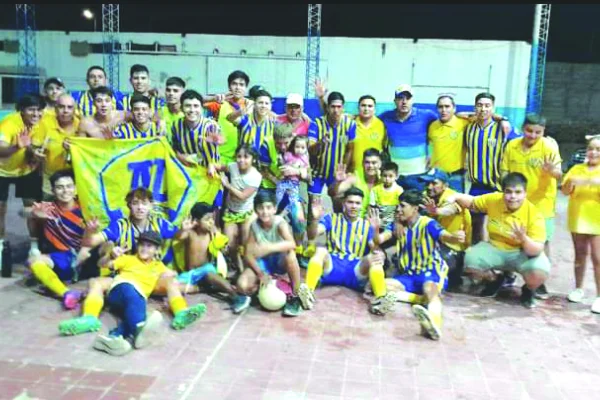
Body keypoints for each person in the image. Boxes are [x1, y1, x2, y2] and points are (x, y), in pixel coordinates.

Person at [59, 231, 207, 344]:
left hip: (138, 297)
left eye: (149, 246)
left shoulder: (159, 267)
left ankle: (179, 314)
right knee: (129, 292)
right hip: (121, 290)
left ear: (157, 250)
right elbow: (102, 264)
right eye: (142, 245)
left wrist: (197, 286)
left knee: (141, 299)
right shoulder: (128, 259)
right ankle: (90, 319)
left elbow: (175, 278)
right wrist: (110, 256)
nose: (144, 249)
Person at [444, 172, 551, 308]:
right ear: (502, 192)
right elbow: (472, 202)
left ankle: (528, 290)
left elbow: (536, 250)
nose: (513, 197)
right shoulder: (494, 199)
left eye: (518, 192)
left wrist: (523, 239)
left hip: (521, 252)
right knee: (470, 260)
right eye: (508, 192)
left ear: (525, 193)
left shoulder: (534, 214)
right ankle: (494, 280)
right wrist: (455, 196)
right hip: (495, 247)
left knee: (540, 270)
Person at [369, 189, 466, 338]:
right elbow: (378, 240)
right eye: (398, 206)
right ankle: (420, 300)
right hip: (408, 275)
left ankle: (434, 324)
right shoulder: (397, 226)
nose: (398, 209)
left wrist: (456, 237)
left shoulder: (428, 224)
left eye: (402, 206)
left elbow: (446, 236)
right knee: (381, 286)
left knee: (430, 289)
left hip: (430, 272)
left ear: (415, 208)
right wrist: (375, 230)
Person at [298, 187, 389, 314]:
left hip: (355, 271)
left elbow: (374, 247)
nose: (353, 206)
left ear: (362, 205)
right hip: (332, 267)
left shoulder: (367, 225)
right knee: (320, 250)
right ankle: (308, 293)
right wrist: (314, 219)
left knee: (374, 257)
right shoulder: (331, 218)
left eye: (357, 203)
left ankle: (381, 300)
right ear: (343, 203)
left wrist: (376, 231)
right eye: (350, 202)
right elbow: (312, 235)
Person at [500, 113, 561, 298]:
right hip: (516, 203)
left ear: (543, 132)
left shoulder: (549, 147)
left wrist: (552, 171)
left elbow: (559, 174)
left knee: (542, 243)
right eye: (529, 131)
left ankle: (539, 282)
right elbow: (504, 171)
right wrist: (506, 189)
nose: (533, 136)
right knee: (510, 238)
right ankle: (507, 275)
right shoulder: (512, 145)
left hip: (542, 204)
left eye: (538, 132)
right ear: (523, 128)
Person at [232, 192, 304, 316]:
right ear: (256, 210)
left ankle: (295, 296)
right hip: (263, 263)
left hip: (279, 261)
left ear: (275, 209)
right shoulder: (254, 226)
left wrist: (268, 248)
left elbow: (292, 244)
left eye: (269, 207)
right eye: (261, 208)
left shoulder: (280, 223)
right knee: (241, 285)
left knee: (290, 255)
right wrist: (261, 274)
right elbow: (248, 255)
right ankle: (257, 291)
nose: (265, 212)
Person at [27, 170, 90, 309]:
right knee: (34, 262)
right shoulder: (48, 208)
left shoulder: (86, 209)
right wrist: (34, 215)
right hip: (59, 257)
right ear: (53, 190)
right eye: (60, 187)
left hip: (84, 258)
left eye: (69, 186)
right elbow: (24, 212)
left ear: (76, 188)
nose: (65, 191)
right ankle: (66, 293)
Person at [464, 92, 519, 245]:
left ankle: (504, 263)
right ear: (475, 107)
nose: (483, 109)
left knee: (501, 226)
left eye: (487, 106)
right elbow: (459, 114)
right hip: (477, 185)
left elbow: (521, 142)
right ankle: (477, 257)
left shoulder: (503, 129)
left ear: (493, 108)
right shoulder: (468, 128)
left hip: (498, 185)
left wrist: (504, 119)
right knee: (475, 223)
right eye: (480, 105)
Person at [0, 94, 45, 263]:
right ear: (22, 111)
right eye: (31, 110)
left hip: (26, 170)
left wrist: (34, 153)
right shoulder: (9, 123)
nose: (36, 114)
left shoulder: (42, 124)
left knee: (32, 208)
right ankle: (0, 246)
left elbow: (33, 147)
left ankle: (34, 247)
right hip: (2, 170)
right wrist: (16, 147)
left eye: (39, 110)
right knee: (1, 209)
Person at [82, 187, 178, 265]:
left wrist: (185, 231)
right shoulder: (119, 226)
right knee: (107, 245)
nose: (140, 207)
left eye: (144, 203)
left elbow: (180, 236)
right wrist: (89, 231)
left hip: (152, 273)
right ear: (129, 206)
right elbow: (90, 242)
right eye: (135, 203)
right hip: (125, 272)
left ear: (151, 206)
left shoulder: (160, 224)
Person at [561, 135, 600, 312]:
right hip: (577, 218)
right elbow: (565, 191)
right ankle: (578, 289)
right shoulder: (577, 168)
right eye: (591, 148)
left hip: (597, 221)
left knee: (598, 258)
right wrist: (570, 182)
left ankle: (599, 297)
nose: (593, 152)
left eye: (598, 150)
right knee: (580, 255)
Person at [419, 169, 472, 290]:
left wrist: (436, 211)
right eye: (427, 183)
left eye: (434, 183)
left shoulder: (452, 196)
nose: (429, 186)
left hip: (454, 246)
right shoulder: (426, 195)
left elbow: (451, 209)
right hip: (435, 242)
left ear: (445, 185)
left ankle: (455, 276)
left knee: (438, 265)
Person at [378, 85, 437, 192]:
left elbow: (445, 122)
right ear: (395, 101)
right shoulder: (385, 117)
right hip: (396, 177)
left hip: (420, 176)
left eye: (408, 98)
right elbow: (370, 121)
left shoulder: (426, 115)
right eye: (400, 98)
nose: (404, 102)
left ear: (412, 100)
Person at [174, 202, 238, 300]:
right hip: (192, 273)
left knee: (210, 274)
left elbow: (223, 248)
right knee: (174, 286)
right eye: (207, 219)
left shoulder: (211, 234)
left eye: (212, 218)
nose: (211, 222)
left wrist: (220, 240)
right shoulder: (190, 233)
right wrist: (183, 229)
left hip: (207, 270)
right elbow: (178, 237)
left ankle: (234, 295)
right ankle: (203, 289)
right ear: (196, 221)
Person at [220, 144, 263, 273]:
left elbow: (243, 196)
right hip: (231, 212)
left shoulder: (256, 176)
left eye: (246, 157)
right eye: (239, 156)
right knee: (230, 244)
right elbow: (220, 166)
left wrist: (227, 185)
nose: (241, 160)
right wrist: (213, 166)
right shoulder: (233, 167)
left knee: (246, 244)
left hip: (247, 213)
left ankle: (249, 270)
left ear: (253, 159)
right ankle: (239, 269)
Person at [307, 91, 356, 199]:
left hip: (336, 175)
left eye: (339, 107)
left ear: (343, 107)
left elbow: (349, 150)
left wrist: (344, 168)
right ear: (328, 107)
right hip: (317, 173)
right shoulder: (316, 124)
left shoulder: (350, 124)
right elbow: (310, 151)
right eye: (333, 107)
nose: (336, 110)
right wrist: (321, 143)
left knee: (338, 204)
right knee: (314, 207)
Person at [31, 94, 80, 198]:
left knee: (73, 212)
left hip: (76, 178)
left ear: (75, 109)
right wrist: (35, 152)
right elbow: (34, 146)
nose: (65, 110)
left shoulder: (81, 125)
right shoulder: (44, 123)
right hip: (50, 179)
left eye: (69, 107)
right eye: (61, 107)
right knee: (49, 212)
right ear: (55, 109)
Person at [204, 70, 252, 165]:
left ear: (246, 88)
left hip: (244, 160)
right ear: (229, 86)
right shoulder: (219, 104)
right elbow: (194, 100)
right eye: (234, 84)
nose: (238, 87)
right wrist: (212, 98)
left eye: (241, 84)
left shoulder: (251, 106)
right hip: (219, 159)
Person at [427, 95, 469, 192]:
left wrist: (503, 120)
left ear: (454, 108)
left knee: (456, 205)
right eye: (440, 107)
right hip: (436, 176)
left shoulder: (464, 123)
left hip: (456, 176)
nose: (443, 110)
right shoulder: (432, 126)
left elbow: (483, 116)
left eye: (447, 106)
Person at [276, 135, 309, 225]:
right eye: (297, 147)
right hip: (283, 182)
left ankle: (282, 215)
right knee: (278, 197)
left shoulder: (304, 159)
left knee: (293, 201)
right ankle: (278, 213)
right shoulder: (289, 155)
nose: (299, 150)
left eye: (303, 148)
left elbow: (305, 174)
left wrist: (298, 171)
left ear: (306, 149)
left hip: (294, 184)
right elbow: (282, 164)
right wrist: (282, 162)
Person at [351, 95, 387, 176]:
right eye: (363, 105)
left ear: (375, 109)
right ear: (358, 108)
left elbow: (384, 150)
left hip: (374, 175)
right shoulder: (350, 124)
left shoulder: (381, 125)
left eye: (370, 106)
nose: (366, 109)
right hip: (354, 174)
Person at [369, 161, 404, 228]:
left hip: (393, 222)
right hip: (378, 220)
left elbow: (400, 209)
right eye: (385, 176)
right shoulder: (375, 190)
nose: (387, 179)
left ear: (396, 176)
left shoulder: (399, 190)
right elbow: (371, 207)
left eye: (390, 176)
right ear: (381, 176)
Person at [158, 76, 186, 143]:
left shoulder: (188, 113)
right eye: (168, 90)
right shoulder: (159, 111)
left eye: (175, 91)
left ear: (183, 93)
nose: (171, 93)